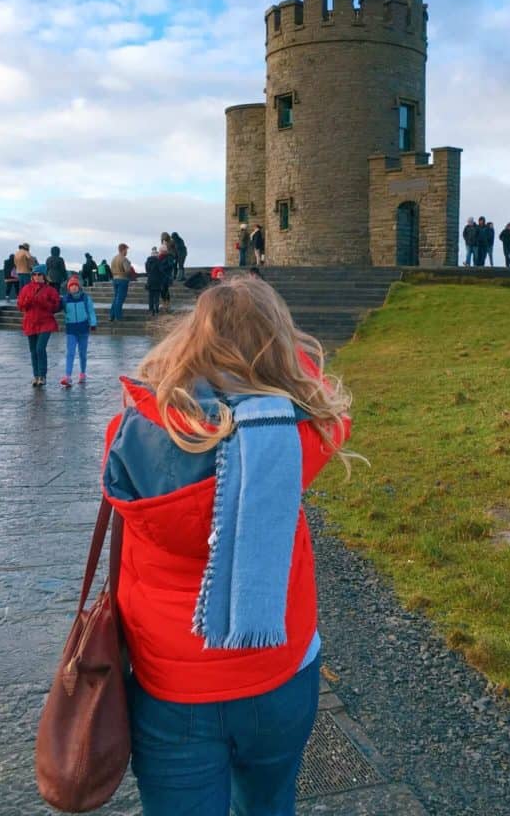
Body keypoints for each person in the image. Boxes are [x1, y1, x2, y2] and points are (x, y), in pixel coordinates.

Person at [99, 275, 352, 816]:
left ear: (188, 342)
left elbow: (145, 400)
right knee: (268, 806)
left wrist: (185, 361)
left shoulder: (133, 433)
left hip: (171, 690)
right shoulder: (299, 435)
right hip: (280, 673)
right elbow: (322, 391)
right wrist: (272, 351)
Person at [17, 264, 60, 387]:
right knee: (33, 351)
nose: (36, 277)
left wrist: (43, 303)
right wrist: (27, 301)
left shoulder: (50, 290)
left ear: (44, 276)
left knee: (40, 349)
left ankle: (42, 375)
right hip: (30, 323)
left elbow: (56, 306)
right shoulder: (26, 289)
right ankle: (36, 376)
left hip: (45, 323)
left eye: (39, 274)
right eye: (34, 274)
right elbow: (20, 306)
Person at [59, 274, 97, 387]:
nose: (73, 287)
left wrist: (93, 323)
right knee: (70, 353)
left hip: (83, 328)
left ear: (79, 287)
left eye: (75, 285)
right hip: (71, 329)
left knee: (82, 353)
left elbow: (91, 311)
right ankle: (68, 376)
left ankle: (82, 373)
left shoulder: (85, 298)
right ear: (68, 288)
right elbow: (57, 307)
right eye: (71, 286)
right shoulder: (65, 299)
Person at [110, 243, 133, 321]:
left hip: (115, 279)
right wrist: (129, 266)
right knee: (120, 299)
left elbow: (111, 270)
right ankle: (118, 316)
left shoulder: (114, 258)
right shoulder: (124, 259)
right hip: (123, 279)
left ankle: (111, 315)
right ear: (123, 250)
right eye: (126, 250)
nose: (127, 252)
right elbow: (127, 271)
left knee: (116, 298)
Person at [145, 247, 162, 316]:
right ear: (156, 255)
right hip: (157, 281)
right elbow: (161, 271)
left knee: (150, 297)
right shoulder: (158, 261)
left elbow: (147, 271)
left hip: (150, 281)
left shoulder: (147, 262)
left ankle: (151, 309)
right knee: (156, 296)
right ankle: (156, 309)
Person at [158, 243, 175, 312]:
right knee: (162, 291)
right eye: (160, 250)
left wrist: (162, 268)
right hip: (161, 277)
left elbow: (171, 265)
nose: (160, 252)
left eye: (161, 250)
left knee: (165, 290)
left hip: (166, 276)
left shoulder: (169, 257)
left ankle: (167, 304)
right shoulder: (159, 257)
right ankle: (164, 303)